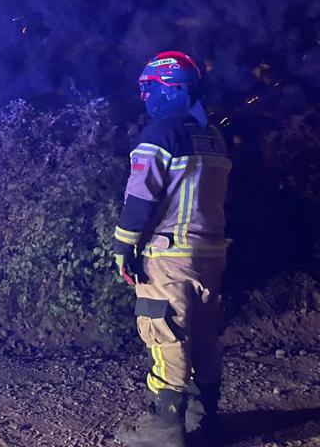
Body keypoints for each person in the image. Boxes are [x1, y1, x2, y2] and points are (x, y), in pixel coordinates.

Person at [113, 52, 231, 447]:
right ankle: (204, 418)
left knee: (165, 333)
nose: (145, 96)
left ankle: (165, 429)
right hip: (210, 253)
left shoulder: (160, 134)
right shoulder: (212, 136)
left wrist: (123, 246)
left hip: (169, 255)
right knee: (203, 333)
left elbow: (140, 198)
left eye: (150, 87)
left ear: (172, 89)